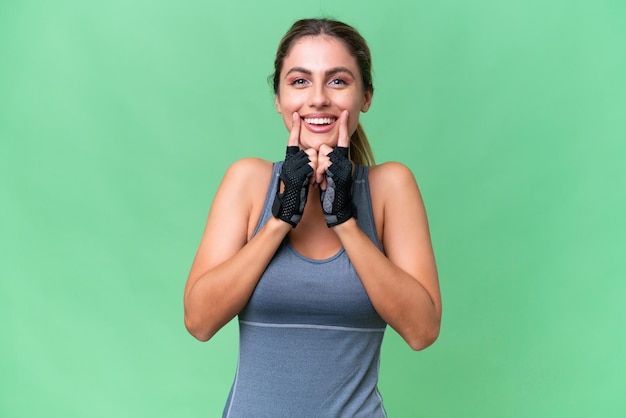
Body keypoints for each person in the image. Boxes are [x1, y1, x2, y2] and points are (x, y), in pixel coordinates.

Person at [183, 18, 442, 417]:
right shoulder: (248, 181)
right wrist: (280, 219)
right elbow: (199, 322)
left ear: (366, 96)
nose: (318, 99)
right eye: (299, 81)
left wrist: (346, 222)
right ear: (279, 98)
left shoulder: (391, 187)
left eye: (338, 81)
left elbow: (422, 331)